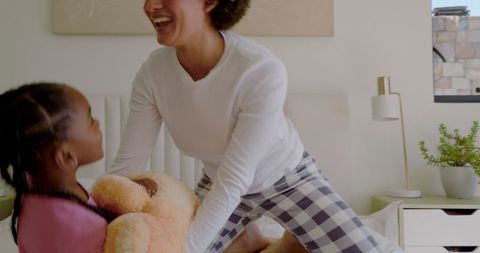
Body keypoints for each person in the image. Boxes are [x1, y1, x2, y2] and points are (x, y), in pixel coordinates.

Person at [110, 0, 382, 252]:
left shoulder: (259, 70)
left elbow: (235, 178)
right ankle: (250, 240)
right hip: (218, 182)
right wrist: (96, 220)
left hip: (287, 180)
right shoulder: (153, 73)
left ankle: (289, 243)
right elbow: (126, 168)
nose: (149, 5)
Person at [0, 83, 112, 253]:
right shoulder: (82, 227)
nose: (97, 123)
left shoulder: (31, 196)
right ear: (66, 156)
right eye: (90, 119)